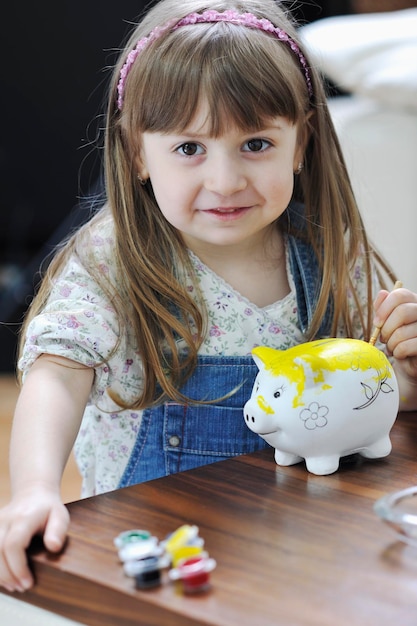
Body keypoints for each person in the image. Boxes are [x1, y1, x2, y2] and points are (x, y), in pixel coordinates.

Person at [1, 0, 417, 594]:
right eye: (190, 149)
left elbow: (361, 399)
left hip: (303, 548)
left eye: (255, 145)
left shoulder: (330, 256)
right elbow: (55, 377)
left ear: (301, 144)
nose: (224, 181)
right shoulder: (113, 261)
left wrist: (404, 377)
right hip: (163, 561)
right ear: (138, 154)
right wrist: (35, 491)